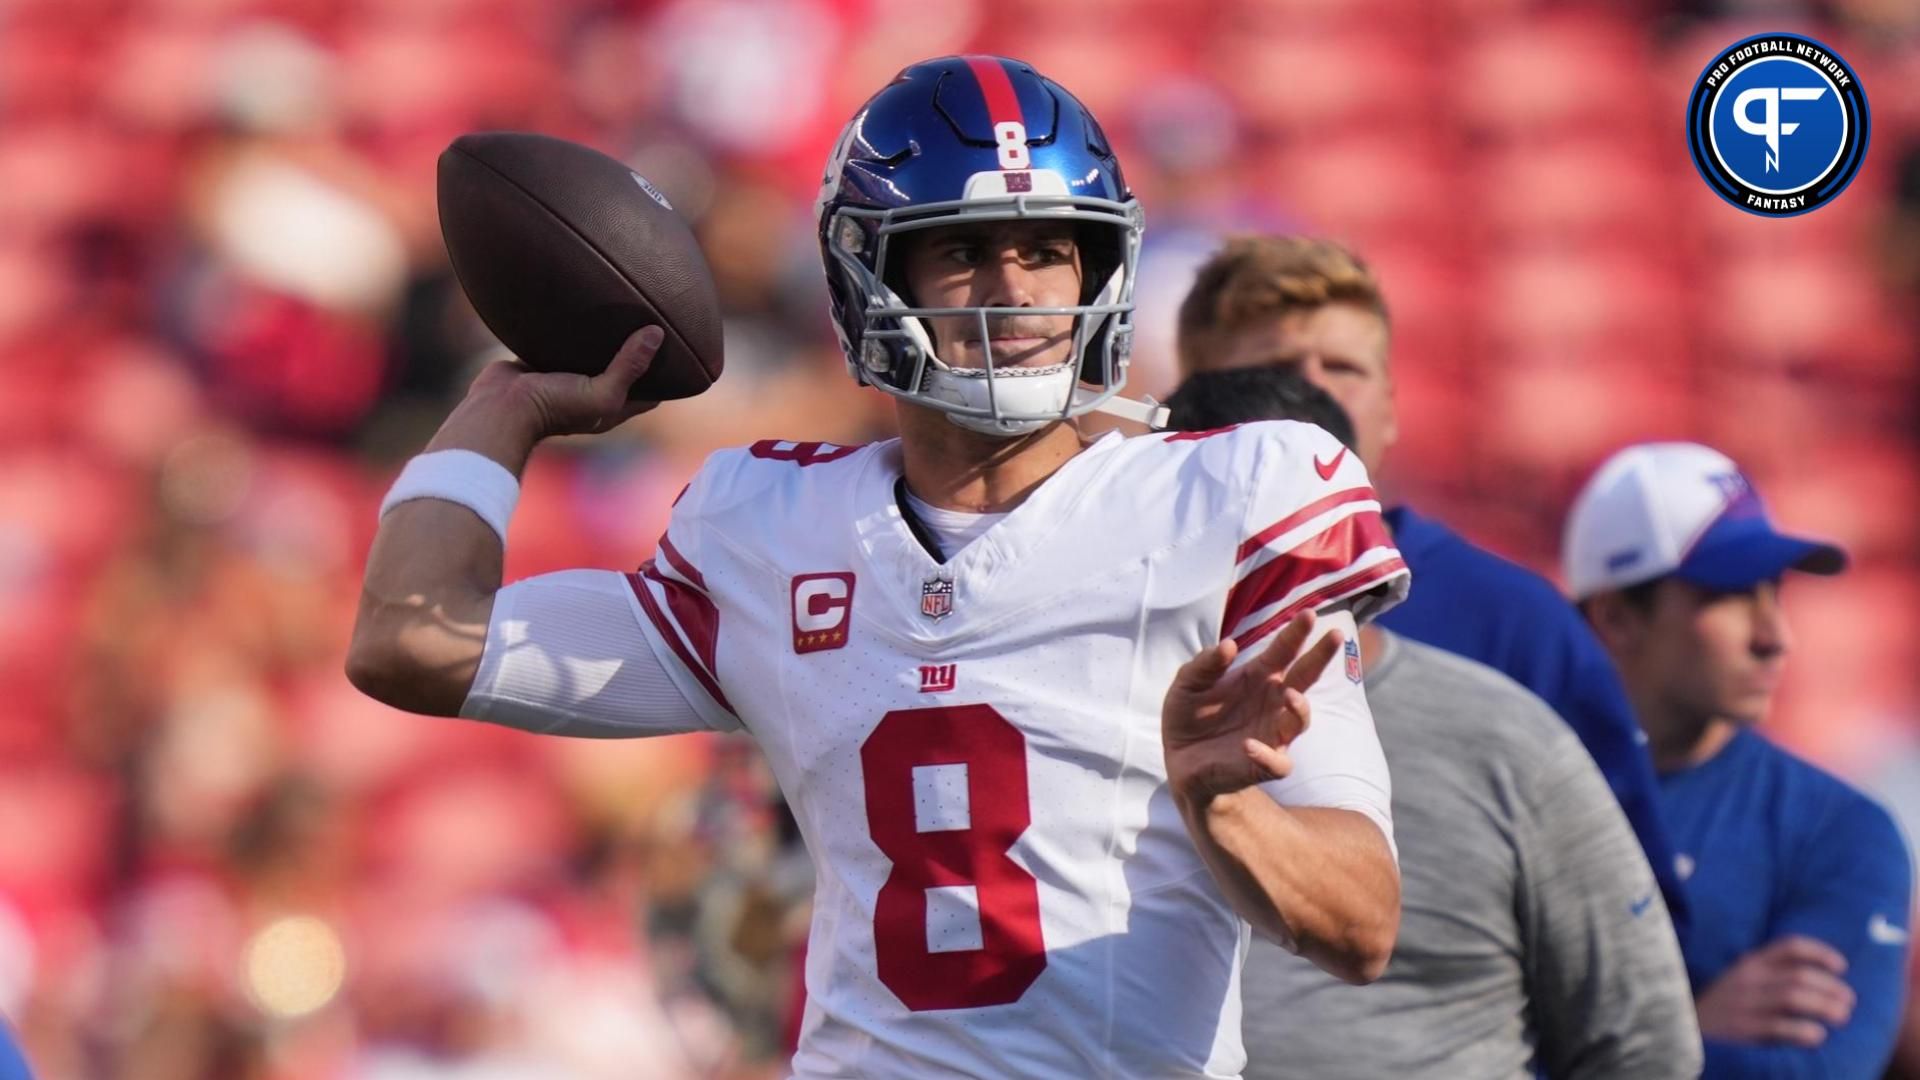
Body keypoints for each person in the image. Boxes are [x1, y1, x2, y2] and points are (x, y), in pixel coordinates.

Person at [346, 56, 1409, 1078]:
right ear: (870, 274)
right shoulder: (774, 527)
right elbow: (412, 641)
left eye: (1048, 251)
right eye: (964, 251)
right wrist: (501, 409)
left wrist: (1227, 811)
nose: (1015, 292)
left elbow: (1361, 925)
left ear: (1103, 269)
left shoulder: (1226, 499)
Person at [1167, 368, 1701, 1079]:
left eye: (1295, 526)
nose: (1269, 559)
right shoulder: (1065, 718)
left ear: (1357, 527)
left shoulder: (1508, 742)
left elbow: (1643, 1043)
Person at [1175, 235, 1689, 930]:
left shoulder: (1514, 622)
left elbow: (1625, 911)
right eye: (1277, 369)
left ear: (1390, 409)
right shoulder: (1124, 594)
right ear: (1195, 396)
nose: (1312, 394)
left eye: (1342, 367)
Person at [1565, 441, 1913, 1077]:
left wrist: (1590, 1048)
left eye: (1772, 592)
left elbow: (1819, 1073)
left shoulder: (1839, 833)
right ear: (1617, 617)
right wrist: (1683, 1028)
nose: (1775, 637)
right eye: (1727, 595)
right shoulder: (1508, 800)